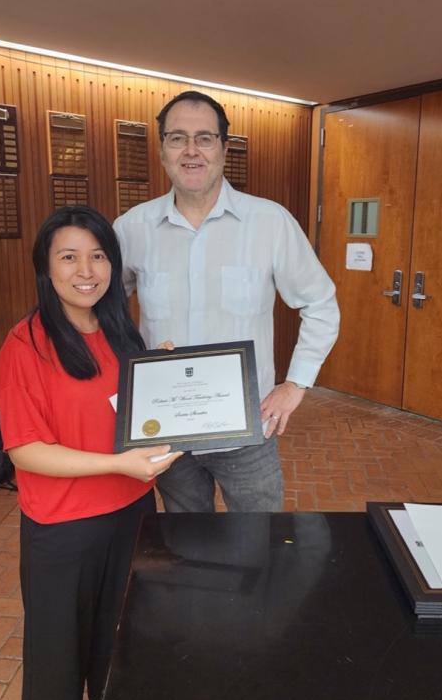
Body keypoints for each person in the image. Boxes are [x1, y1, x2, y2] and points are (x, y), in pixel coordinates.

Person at [0, 205, 181, 700]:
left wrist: (165, 372)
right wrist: (117, 466)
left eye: (98, 255)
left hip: (132, 516)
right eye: (69, 256)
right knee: (57, 666)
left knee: (120, 648)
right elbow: (25, 451)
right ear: (45, 268)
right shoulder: (24, 345)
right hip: (63, 530)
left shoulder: (122, 331)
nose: (86, 269)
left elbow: (135, 415)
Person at [114, 91, 340, 513]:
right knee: (186, 544)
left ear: (223, 148)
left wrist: (295, 385)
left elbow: (321, 304)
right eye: (178, 138)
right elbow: (105, 310)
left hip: (246, 431)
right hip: (167, 429)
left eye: (204, 138)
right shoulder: (132, 228)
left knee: (261, 543)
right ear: (162, 148)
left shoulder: (269, 222)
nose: (191, 151)